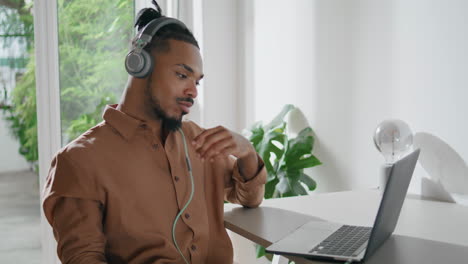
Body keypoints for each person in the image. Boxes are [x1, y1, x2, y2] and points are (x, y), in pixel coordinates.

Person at [42, 1, 266, 264]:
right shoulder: (79, 161)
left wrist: (246, 151)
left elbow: (248, 198)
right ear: (139, 66)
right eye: (182, 75)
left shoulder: (199, 140)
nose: (193, 91)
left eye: (197, 81)